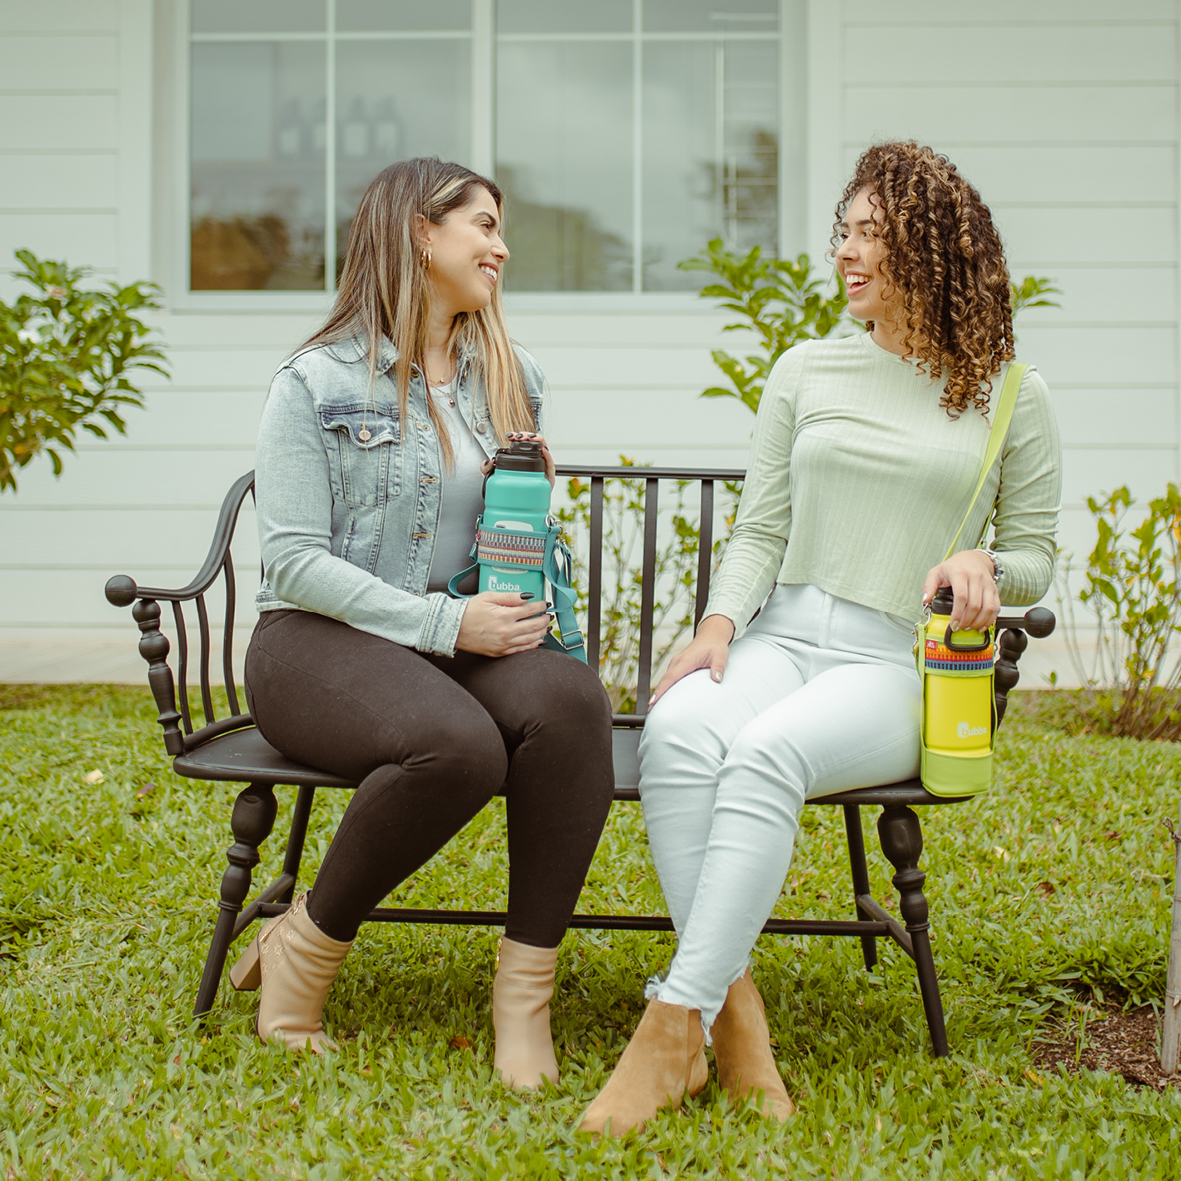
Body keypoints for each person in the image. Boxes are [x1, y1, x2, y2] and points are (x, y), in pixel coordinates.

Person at [578, 141, 1062, 1135]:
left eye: (868, 237)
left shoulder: (1010, 392)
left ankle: (673, 1023)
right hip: (782, 633)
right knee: (679, 731)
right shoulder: (803, 367)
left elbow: (1032, 557)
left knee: (764, 754)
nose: (844, 255)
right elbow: (760, 529)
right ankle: (734, 1018)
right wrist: (714, 628)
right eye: (839, 233)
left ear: (927, 249)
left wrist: (980, 566)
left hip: (894, 658)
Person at [233, 158, 614, 1090]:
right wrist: (446, 625)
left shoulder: (509, 376)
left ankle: (522, 1004)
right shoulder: (313, 382)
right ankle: (306, 950)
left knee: (571, 702)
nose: (500, 245)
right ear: (418, 233)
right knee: (459, 747)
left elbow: (495, 540)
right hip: (317, 642)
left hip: (454, 632)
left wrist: (521, 507)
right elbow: (292, 562)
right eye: (481, 225)